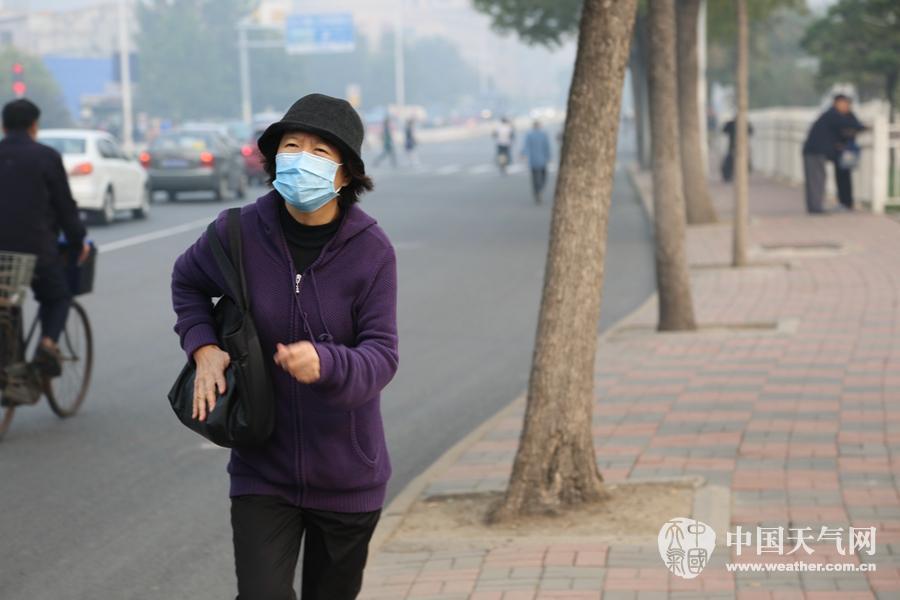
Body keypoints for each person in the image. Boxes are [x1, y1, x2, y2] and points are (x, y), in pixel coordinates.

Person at [171, 93, 398, 600]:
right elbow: (187, 282)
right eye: (292, 147)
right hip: (261, 466)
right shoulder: (237, 232)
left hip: (348, 475)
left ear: (346, 174)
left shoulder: (372, 251)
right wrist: (203, 346)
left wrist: (329, 362)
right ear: (274, 161)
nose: (301, 159)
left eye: (320, 152)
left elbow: (383, 355)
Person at [0, 99, 89, 379]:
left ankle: (9, 369)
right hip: (35, 249)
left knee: (8, 301)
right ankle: (47, 344)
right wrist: (77, 242)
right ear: (34, 126)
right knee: (58, 296)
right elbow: (64, 206)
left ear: (3, 126)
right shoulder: (46, 156)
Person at [802, 94, 865, 213]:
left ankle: (816, 207)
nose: (847, 106)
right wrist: (865, 127)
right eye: (845, 103)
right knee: (816, 180)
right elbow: (852, 125)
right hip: (815, 151)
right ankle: (815, 208)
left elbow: (851, 122)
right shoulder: (833, 115)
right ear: (837, 103)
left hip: (820, 152)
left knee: (818, 179)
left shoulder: (841, 115)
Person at [521, 120, 552, 204]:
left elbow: (526, 146)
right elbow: (547, 146)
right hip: (540, 161)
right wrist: (549, 157)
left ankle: (537, 191)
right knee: (542, 177)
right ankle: (538, 191)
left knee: (535, 178)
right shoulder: (541, 134)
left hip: (534, 161)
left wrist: (523, 154)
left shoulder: (531, 135)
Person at [720, 117, 753, 182]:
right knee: (731, 161)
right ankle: (730, 176)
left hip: (740, 147)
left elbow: (751, 131)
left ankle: (736, 176)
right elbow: (724, 130)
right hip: (734, 147)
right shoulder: (732, 124)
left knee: (737, 162)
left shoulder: (743, 124)